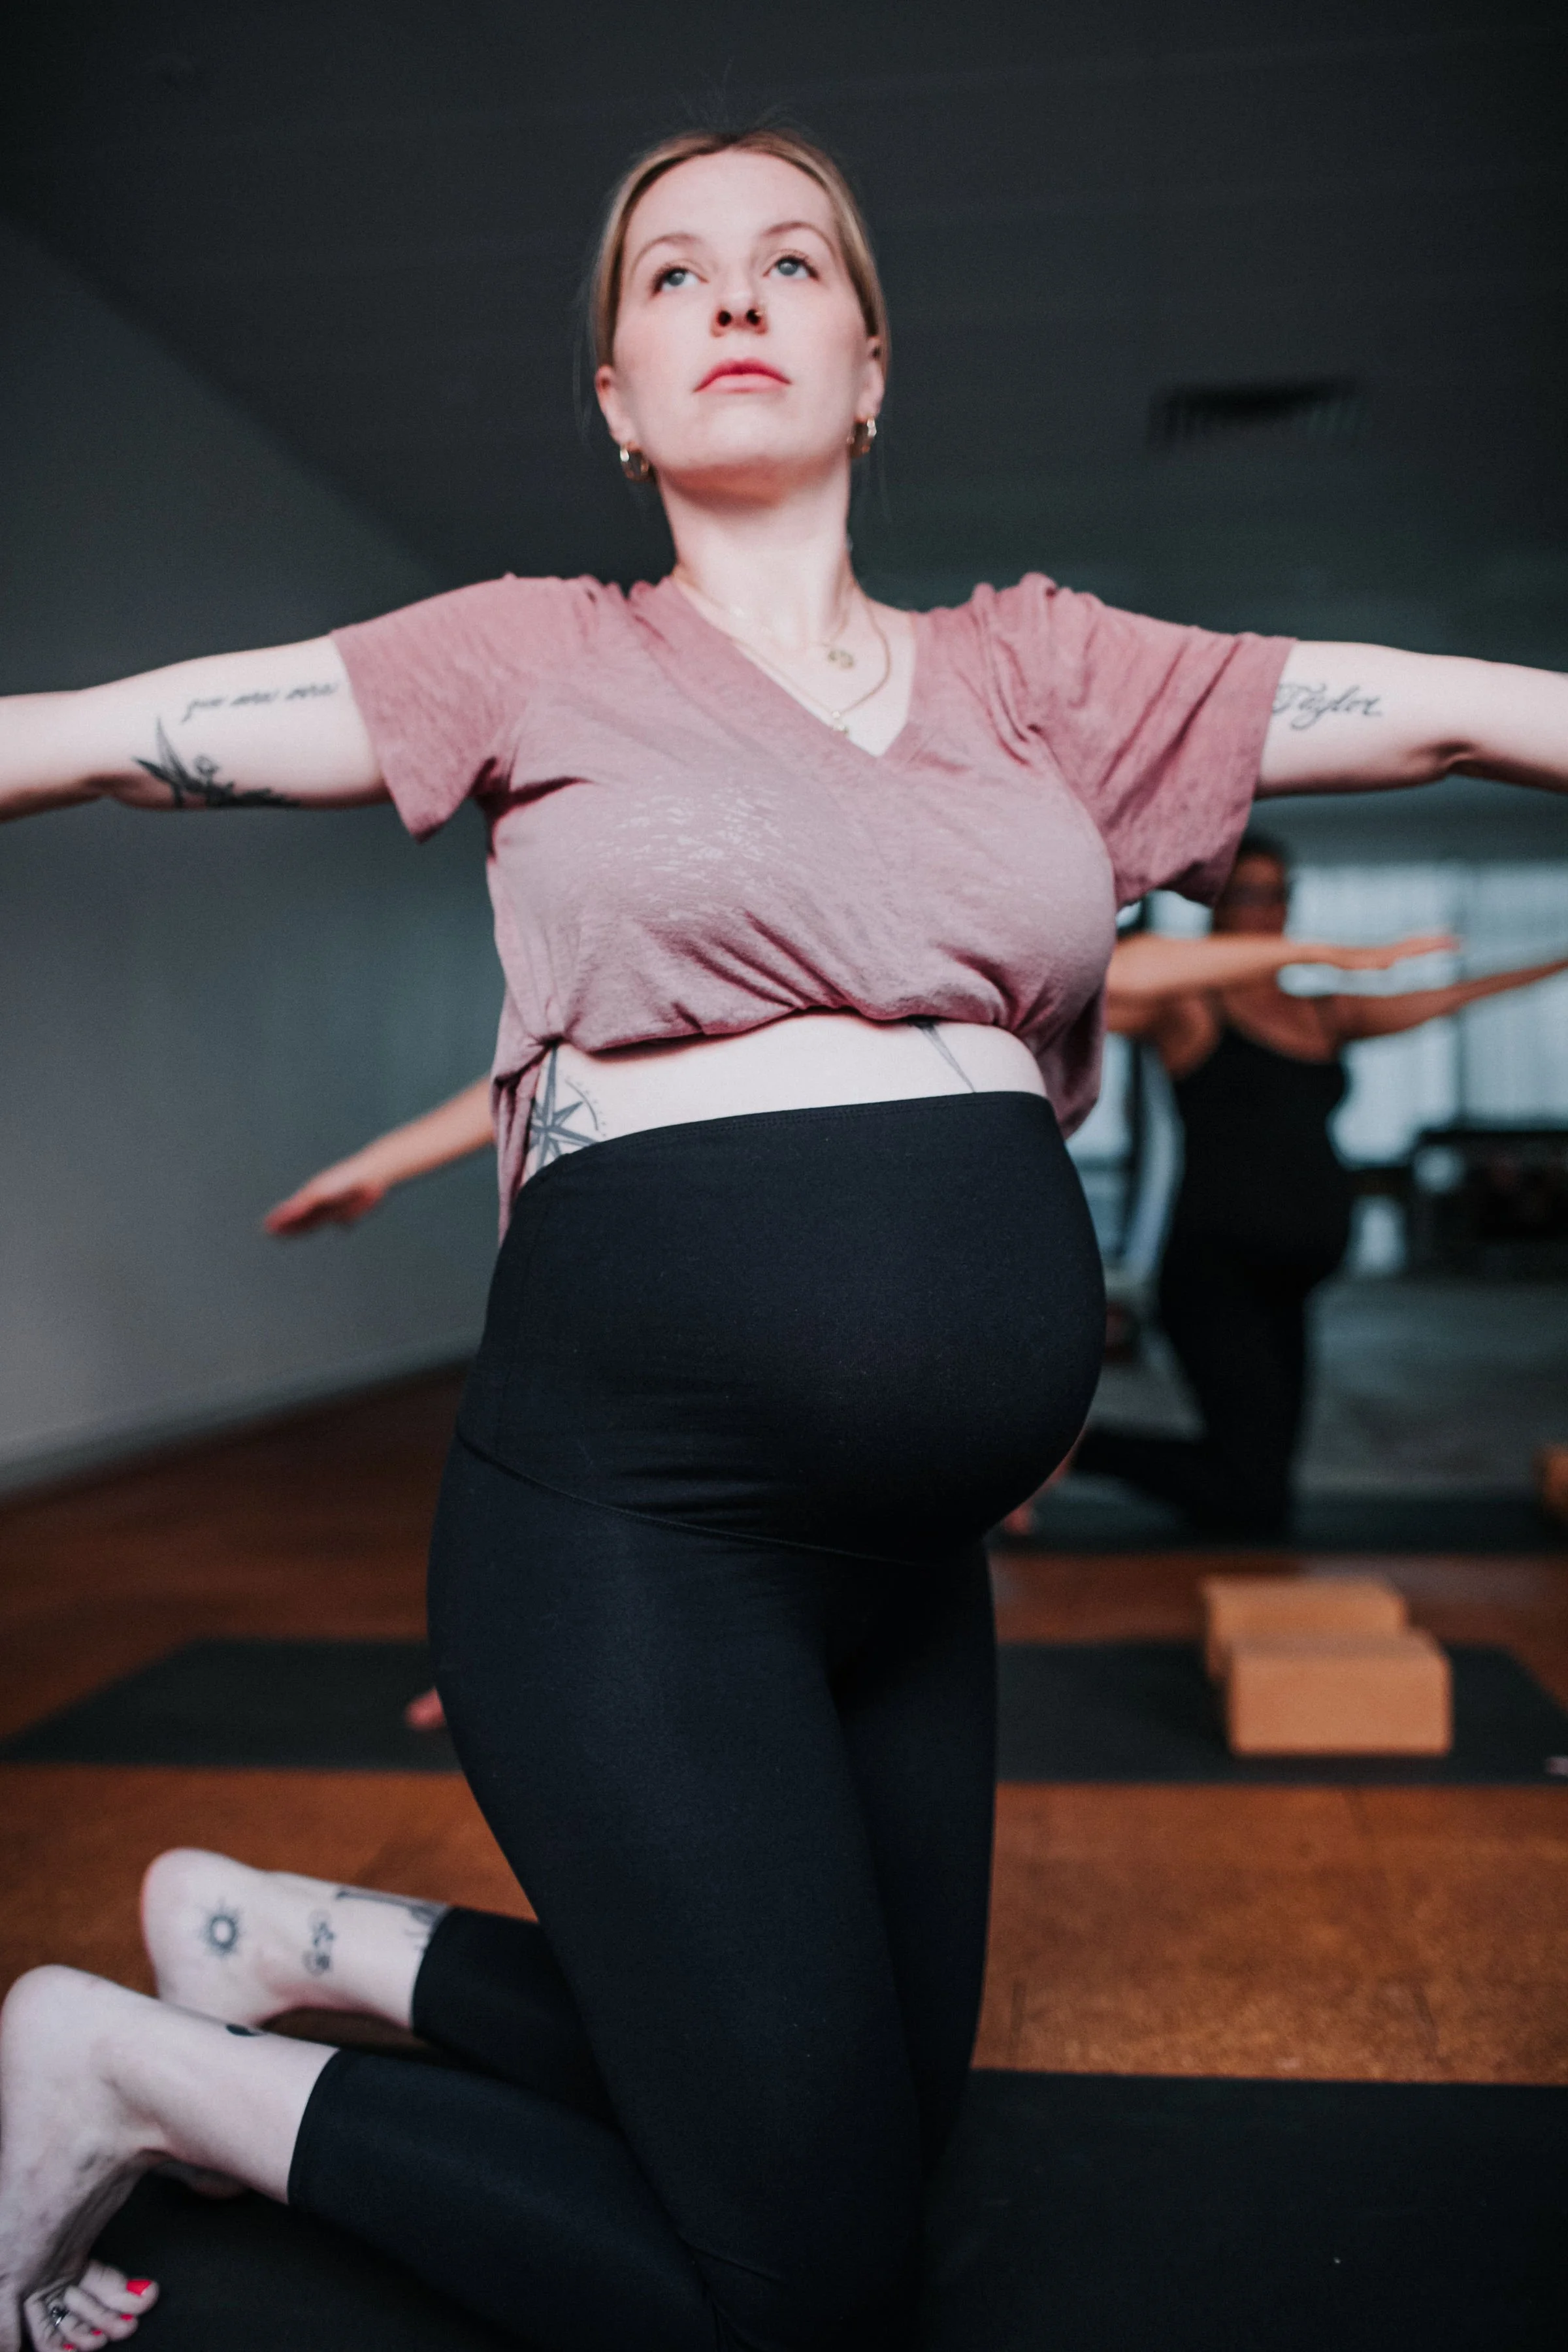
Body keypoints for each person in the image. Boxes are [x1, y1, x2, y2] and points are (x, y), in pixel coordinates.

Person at [1, 122, 1565, 2352]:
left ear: (870, 360)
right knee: (804, 2287)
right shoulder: (532, 656)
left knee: (870, 2136)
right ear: (621, 400)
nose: (736, 299)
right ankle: (131, 2066)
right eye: (673, 276)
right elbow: (117, 740)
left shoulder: (1044, 675)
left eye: (793, 261)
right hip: (631, 1530)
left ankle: (305, 1952)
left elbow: (1420, 701)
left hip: (908, 1566)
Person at [1075, 835, 1568, 1536]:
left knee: (1262, 1488)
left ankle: (1127, 1493)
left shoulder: (1324, 1013)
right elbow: (1110, 977)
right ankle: (1072, 1450)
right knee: (1253, 1495)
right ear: (1216, 907)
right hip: (1214, 1271)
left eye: (1277, 893)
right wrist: (1312, 952)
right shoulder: (1189, 1007)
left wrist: (1558, 961)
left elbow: (1452, 996)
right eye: (1245, 893)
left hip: (1293, 1281)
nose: (1264, 909)